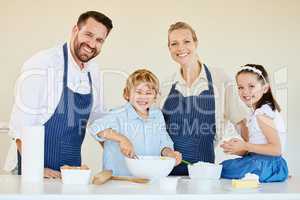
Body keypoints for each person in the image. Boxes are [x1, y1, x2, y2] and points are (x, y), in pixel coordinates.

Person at [5, 11, 113, 178]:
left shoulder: (94, 71)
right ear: (75, 30)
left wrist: (119, 156)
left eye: (99, 40)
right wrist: (36, 170)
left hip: (70, 173)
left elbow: (98, 119)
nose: (92, 44)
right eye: (88, 35)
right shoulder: (42, 64)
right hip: (32, 171)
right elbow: (20, 127)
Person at [161, 22, 248, 175]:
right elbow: (155, 131)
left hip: (204, 174)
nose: (181, 48)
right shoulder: (166, 86)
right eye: (174, 43)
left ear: (196, 43)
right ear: (169, 49)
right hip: (168, 174)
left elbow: (240, 121)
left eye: (186, 41)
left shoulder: (219, 79)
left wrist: (253, 155)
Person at [88, 69, 182, 176]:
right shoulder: (118, 114)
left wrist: (169, 153)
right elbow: (94, 127)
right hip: (120, 179)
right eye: (138, 92)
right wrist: (122, 139)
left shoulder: (157, 115)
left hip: (148, 178)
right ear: (127, 94)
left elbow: (163, 142)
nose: (143, 96)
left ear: (155, 96)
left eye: (148, 93)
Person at [220, 64, 288, 182]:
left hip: (267, 166)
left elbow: (276, 149)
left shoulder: (262, 114)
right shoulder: (259, 112)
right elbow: (260, 145)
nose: (245, 91)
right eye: (240, 87)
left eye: (251, 86)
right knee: (223, 167)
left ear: (265, 88)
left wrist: (245, 146)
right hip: (267, 164)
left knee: (221, 169)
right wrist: (240, 150)